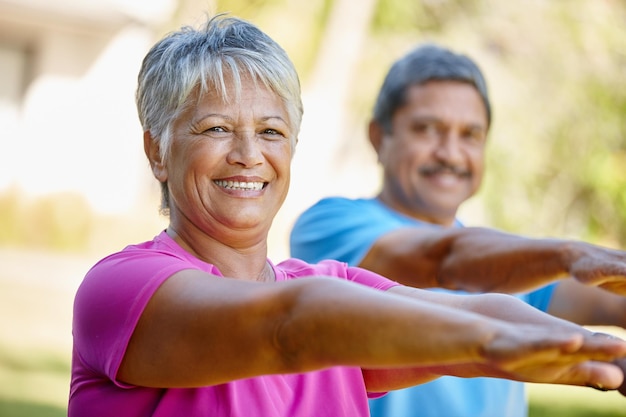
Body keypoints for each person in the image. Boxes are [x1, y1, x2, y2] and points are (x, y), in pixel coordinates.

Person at [68, 15, 626, 417]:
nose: (248, 154)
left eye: (271, 131)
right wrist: (488, 343)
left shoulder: (331, 288)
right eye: (216, 128)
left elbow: (479, 305)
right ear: (157, 152)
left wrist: (611, 357)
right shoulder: (121, 288)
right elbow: (288, 329)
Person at [289, 44, 626, 417]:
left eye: (469, 134)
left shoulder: (513, 262)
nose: (450, 153)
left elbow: (612, 298)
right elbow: (443, 258)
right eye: (427, 130)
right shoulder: (329, 225)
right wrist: (570, 254)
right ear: (378, 137)